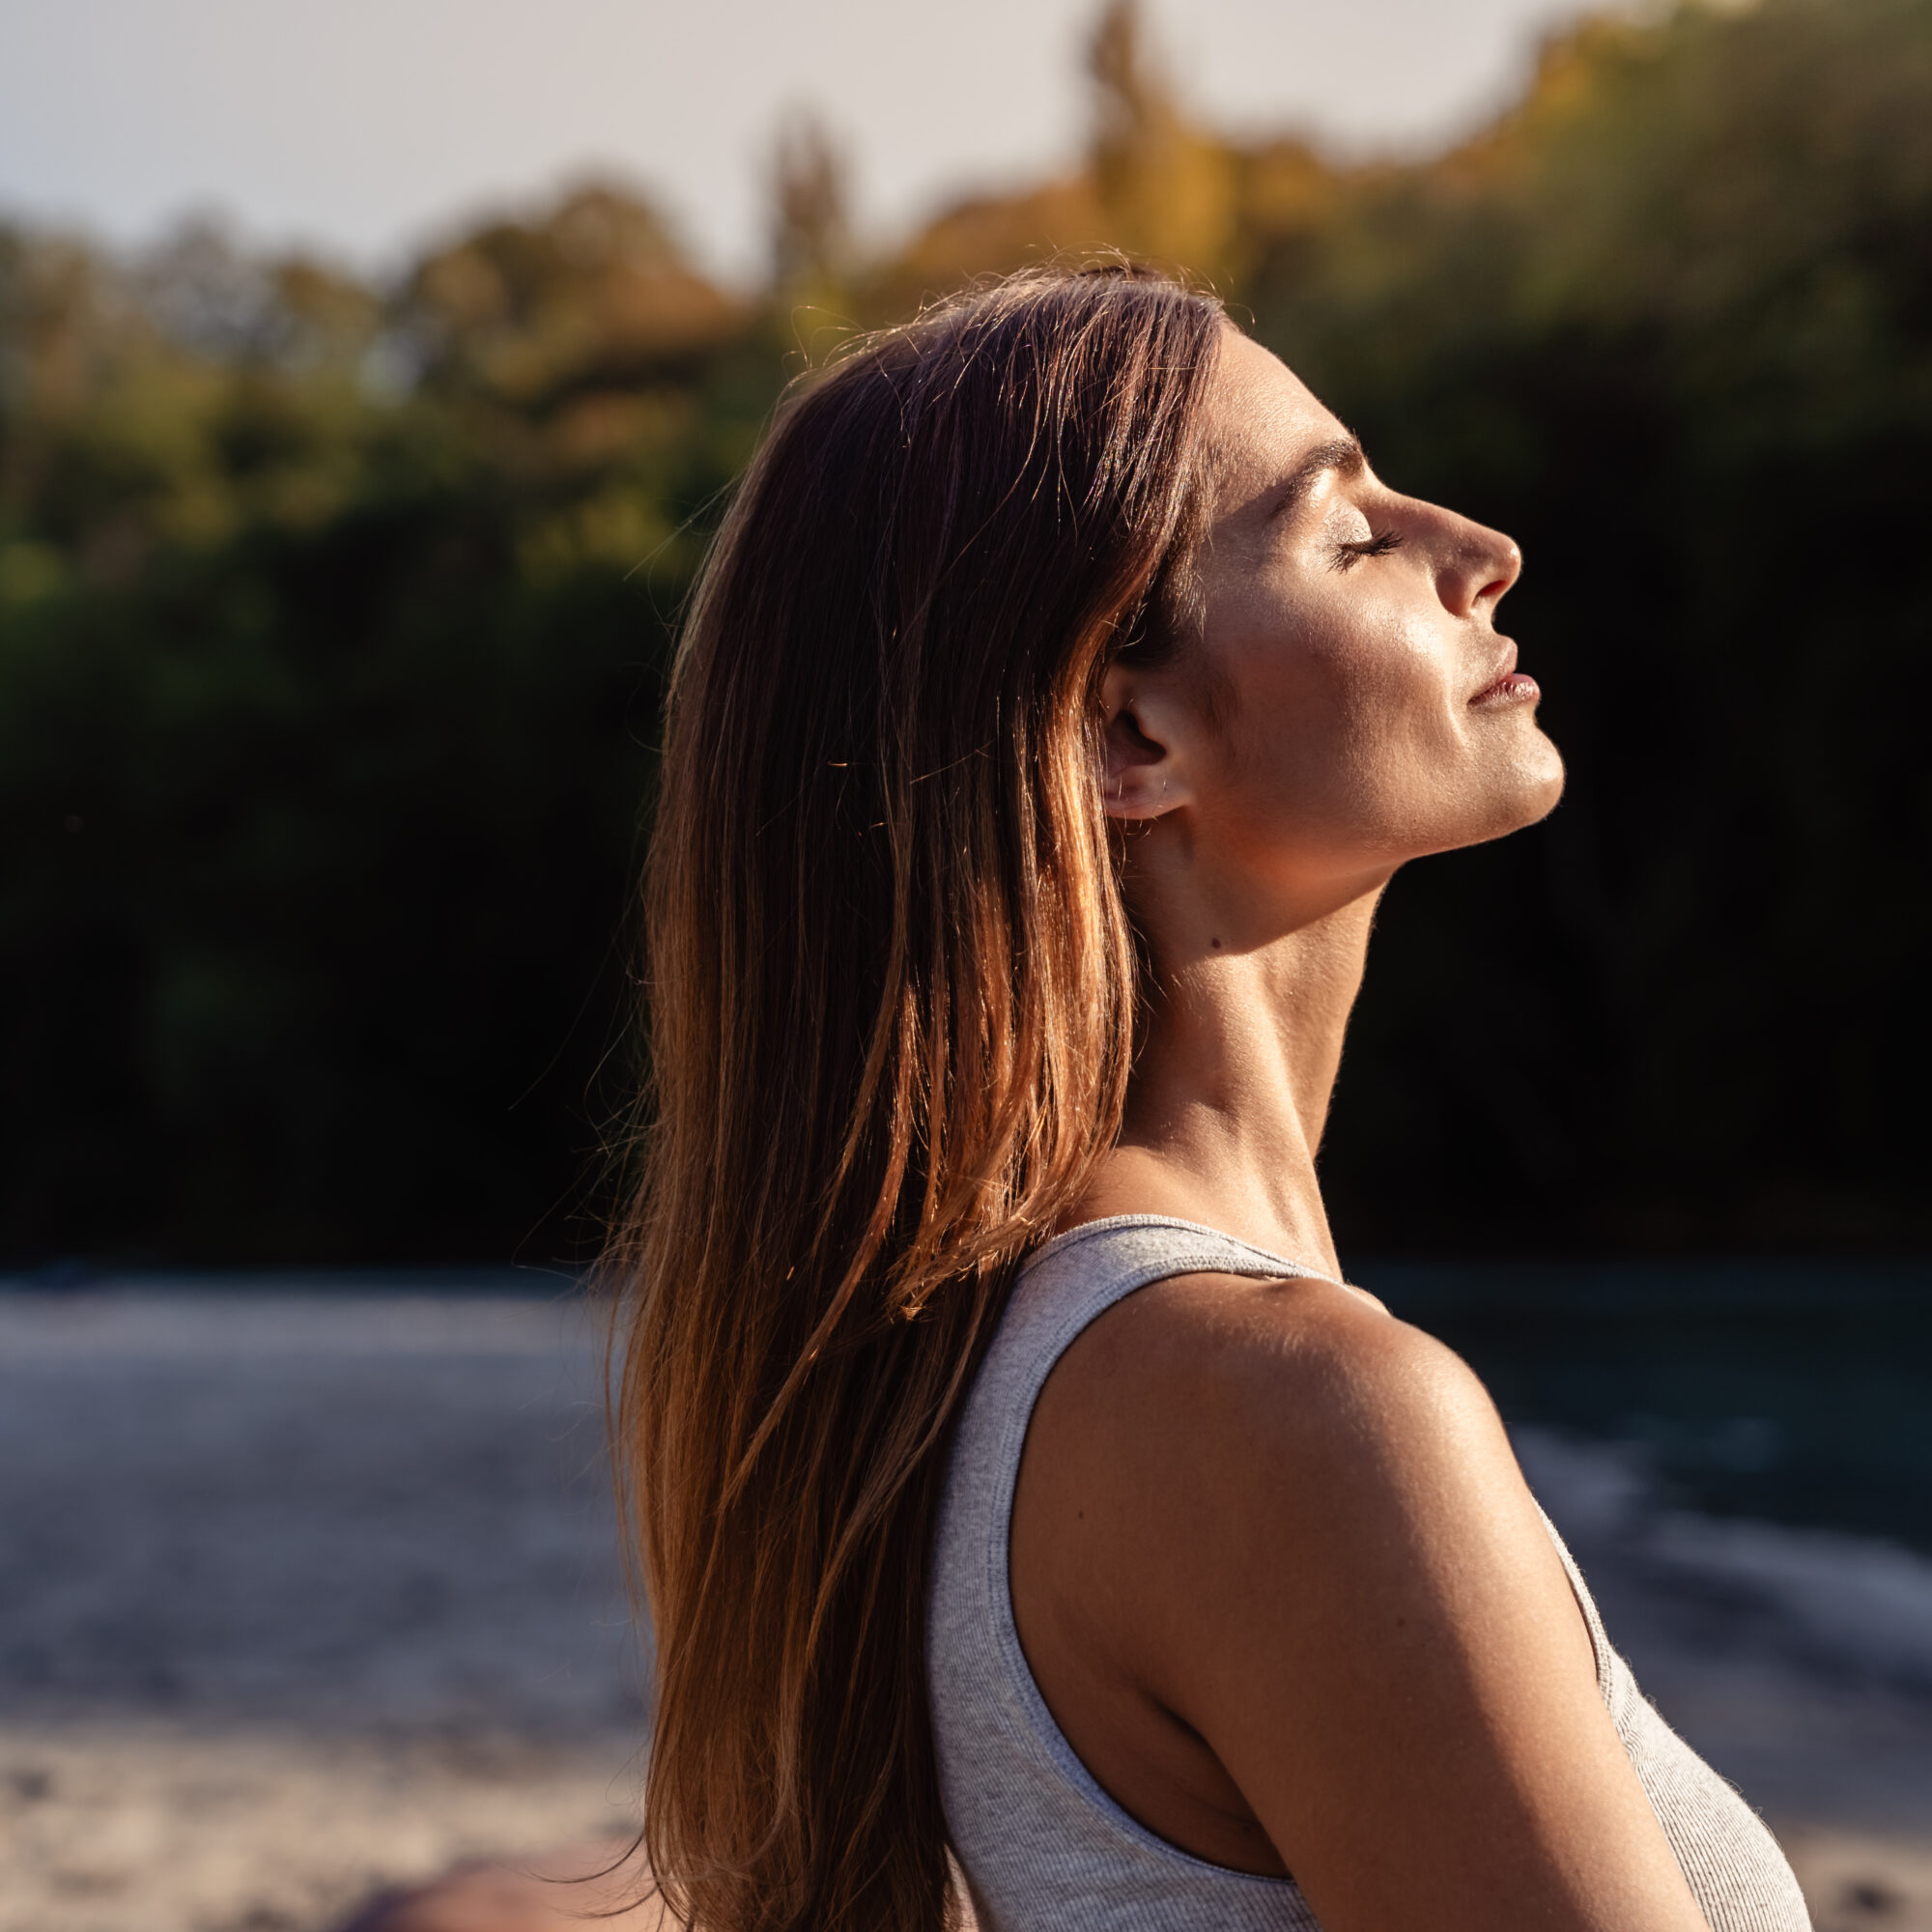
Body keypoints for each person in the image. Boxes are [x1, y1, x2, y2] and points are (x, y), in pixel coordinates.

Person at [589, 263, 1813, 1932]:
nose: (1480, 548)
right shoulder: (1300, 1417)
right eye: (1353, 534)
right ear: (1127, 736)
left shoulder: (985, 1387)